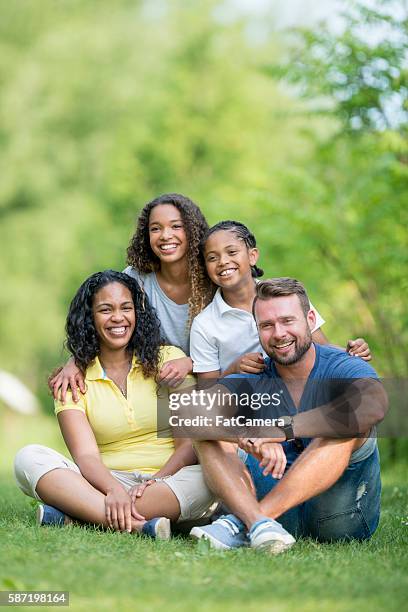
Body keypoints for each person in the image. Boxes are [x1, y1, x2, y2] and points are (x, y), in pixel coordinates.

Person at [14, 271, 216, 538]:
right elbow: (85, 456)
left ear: (137, 313)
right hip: (104, 482)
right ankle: (139, 525)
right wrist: (113, 490)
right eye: (105, 310)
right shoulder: (72, 379)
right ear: (90, 318)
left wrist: (157, 480)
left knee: (214, 472)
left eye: (126, 308)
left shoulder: (167, 360)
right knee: (28, 458)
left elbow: (188, 445)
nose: (118, 318)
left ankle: (81, 515)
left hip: (169, 480)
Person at [190, 278, 385, 552]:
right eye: (267, 325)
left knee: (348, 421)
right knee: (208, 432)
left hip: (338, 518)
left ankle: (250, 521)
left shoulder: (342, 366)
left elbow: (374, 405)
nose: (278, 333)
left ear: (310, 319)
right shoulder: (255, 376)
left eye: (287, 321)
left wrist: (281, 428)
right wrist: (246, 436)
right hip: (279, 517)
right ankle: (259, 523)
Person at [50, 194, 214, 401]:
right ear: (146, 236)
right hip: (159, 389)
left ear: (193, 230)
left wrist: (190, 363)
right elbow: (109, 324)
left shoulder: (214, 277)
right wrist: (76, 361)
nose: (165, 235)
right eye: (155, 228)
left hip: (217, 381)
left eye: (176, 226)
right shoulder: (137, 279)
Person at [190, 220, 371, 380]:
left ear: (252, 256)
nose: (222, 261)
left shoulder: (288, 297)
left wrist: (351, 353)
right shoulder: (204, 325)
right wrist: (233, 369)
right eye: (212, 258)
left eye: (231, 252)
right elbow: (208, 392)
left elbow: (321, 347)